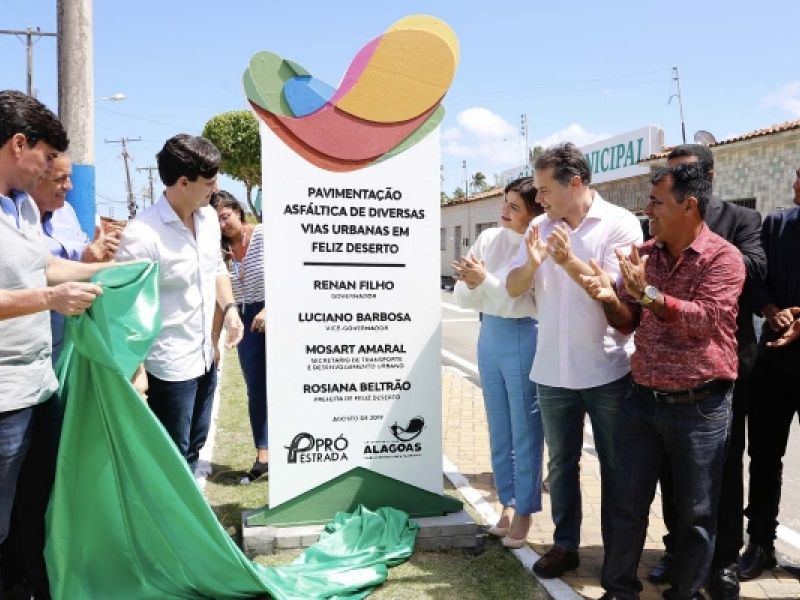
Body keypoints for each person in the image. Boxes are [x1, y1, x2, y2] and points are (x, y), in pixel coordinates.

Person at [580, 162, 744, 600]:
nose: (647, 209)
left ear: (688, 205)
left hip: (700, 407)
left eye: (656, 201)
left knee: (695, 515)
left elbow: (704, 320)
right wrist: (609, 297)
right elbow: (627, 322)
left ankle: (686, 593)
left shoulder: (723, 258)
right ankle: (618, 590)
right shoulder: (644, 255)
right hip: (641, 402)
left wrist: (648, 294)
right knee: (624, 504)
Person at [506, 143, 642, 578]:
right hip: (552, 371)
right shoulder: (539, 227)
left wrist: (567, 262)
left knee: (617, 466)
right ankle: (565, 546)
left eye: (546, 189)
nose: (539, 198)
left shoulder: (619, 223)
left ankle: (618, 555)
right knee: (561, 466)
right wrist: (532, 264)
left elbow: (615, 290)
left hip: (607, 370)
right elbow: (513, 287)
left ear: (576, 183)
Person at [0, 89, 113, 599]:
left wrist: (114, 272)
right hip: (5, 399)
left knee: (33, 509)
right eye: (47, 157)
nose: (49, 171)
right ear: (18, 144)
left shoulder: (22, 207)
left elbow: (46, 266)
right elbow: (46, 287)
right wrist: (49, 299)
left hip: (38, 387)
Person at [647, 145, 765, 599]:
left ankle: (724, 561)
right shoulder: (658, 222)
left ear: (705, 179)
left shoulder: (741, 219)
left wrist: (699, 244)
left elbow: (756, 270)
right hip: (665, 371)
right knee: (672, 474)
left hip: (721, 365)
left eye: (681, 174)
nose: (668, 183)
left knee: (723, 472)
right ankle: (677, 552)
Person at [116, 134, 244, 474]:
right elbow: (126, 309)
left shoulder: (208, 220)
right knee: (170, 457)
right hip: (168, 365)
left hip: (205, 357)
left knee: (195, 447)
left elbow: (216, 269)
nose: (216, 188)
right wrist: (137, 371)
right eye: (209, 181)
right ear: (183, 182)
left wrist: (230, 309)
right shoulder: (142, 234)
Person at [453, 177, 545, 548]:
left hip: (523, 335)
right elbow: (462, 297)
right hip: (488, 335)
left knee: (525, 428)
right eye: (505, 202)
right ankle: (507, 501)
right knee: (499, 426)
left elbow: (520, 304)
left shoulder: (536, 244)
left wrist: (484, 283)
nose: (504, 210)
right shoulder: (489, 238)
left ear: (533, 213)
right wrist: (486, 287)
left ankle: (525, 509)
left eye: (514, 206)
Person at [740, 164, 800, 581]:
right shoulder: (776, 225)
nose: (795, 184)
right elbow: (753, 280)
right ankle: (760, 544)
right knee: (763, 458)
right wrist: (771, 309)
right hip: (774, 363)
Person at [210, 190, 268, 484]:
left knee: (284, 384)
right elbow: (220, 300)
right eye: (216, 221)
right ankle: (263, 457)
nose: (223, 225)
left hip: (273, 314)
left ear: (237, 210)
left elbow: (289, 275)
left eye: (225, 216)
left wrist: (270, 308)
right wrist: (214, 341)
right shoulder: (219, 252)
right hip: (244, 319)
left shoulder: (264, 236)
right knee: (255, 390)